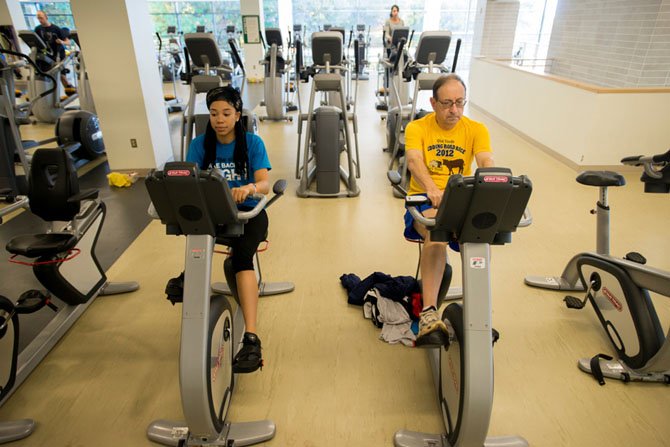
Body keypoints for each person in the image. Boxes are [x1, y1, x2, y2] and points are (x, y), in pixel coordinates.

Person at [184, 85, 271, 373]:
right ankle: (189, 278)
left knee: (242, 258)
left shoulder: (252, 143)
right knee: (197, 245)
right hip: (215, 214)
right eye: (213, 114)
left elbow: (264, 184)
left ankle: (251, 336)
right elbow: (189, 182)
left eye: (226, 113)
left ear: (237, 115)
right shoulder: (199, 145)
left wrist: (248, 188)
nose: (219, 119)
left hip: (249, 214)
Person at [403, 73, 494, 346]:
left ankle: (478, 315)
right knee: (437, 234)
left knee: (478, 240)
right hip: (423, 199)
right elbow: (414, 160)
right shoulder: (417, 128)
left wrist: (492, 181)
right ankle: (429, 314)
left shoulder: (476, 129)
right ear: (433, 102)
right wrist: (431, 187)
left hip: (461, 198)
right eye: (447, 104)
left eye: (459, 103)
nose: (454, 110)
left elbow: (486, 160)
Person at [34, 10, 72, 89]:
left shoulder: (55, 28)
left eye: (41, 18)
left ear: (46, 17)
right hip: (47, 54)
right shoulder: (38, 29)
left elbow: (68, 42)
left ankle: (69, 90)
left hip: (58, 53)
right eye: (38, 18)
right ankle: (48, 92)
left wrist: (61, 42)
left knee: (61, 75)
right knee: (45, 74)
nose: (40, 20)